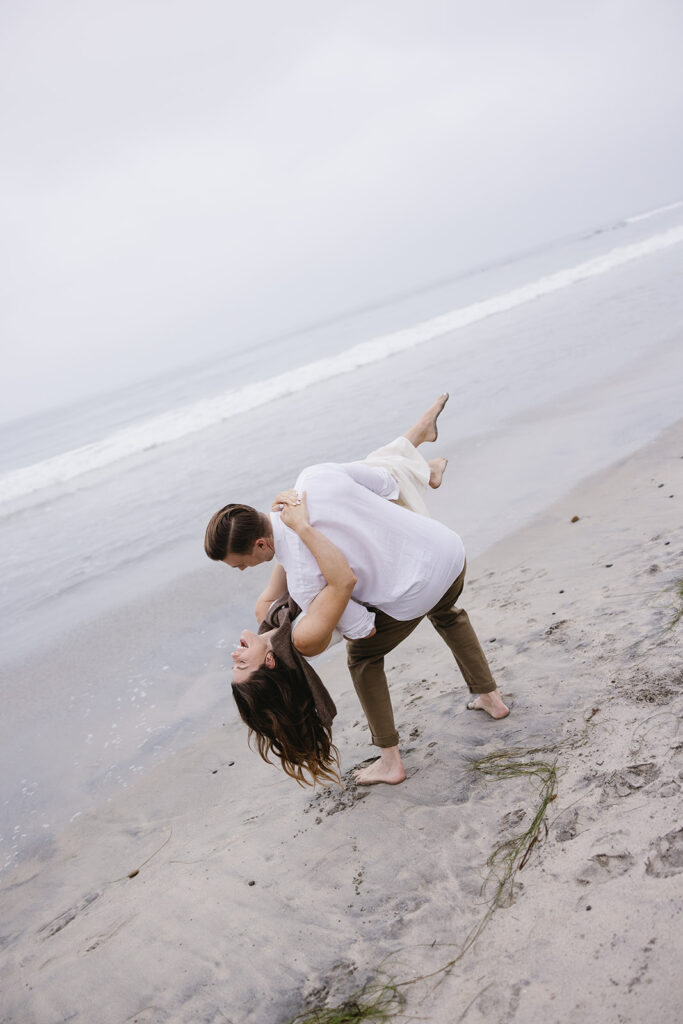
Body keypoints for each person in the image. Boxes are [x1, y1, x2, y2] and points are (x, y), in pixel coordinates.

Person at [205, 395, 508, 787]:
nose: (244, 570)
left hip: (422, 581)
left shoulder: (301, 583)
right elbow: (385, 481)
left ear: (261, 546)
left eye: (241, 563)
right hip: (450, 550)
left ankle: (389, 760)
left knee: (363, 657)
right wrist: (286, 523)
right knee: (445, 610)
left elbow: (361, 625)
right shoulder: (312, 477)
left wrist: (297, 533)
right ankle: (491, 698)